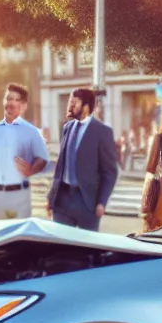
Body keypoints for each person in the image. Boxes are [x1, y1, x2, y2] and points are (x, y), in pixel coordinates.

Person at [0, 83, 50, 220]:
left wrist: (30, 170)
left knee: (20, 237)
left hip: (20, 195)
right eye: (7, 98)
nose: (10, 103)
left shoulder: (32, 132)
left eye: (15, 100)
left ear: (23, 106)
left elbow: (42, 158)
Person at [45, 87, 119, 232]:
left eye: (75, 102)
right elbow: (61, 166)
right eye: (70, 101)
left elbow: (110, 172)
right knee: (61, 245)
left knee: (87, 249)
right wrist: (51, 196)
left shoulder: (103, 132)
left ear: (86, 107)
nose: (70, 105)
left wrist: (102, 202)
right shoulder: (67, 128)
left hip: (87, 201)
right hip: (63, 199)